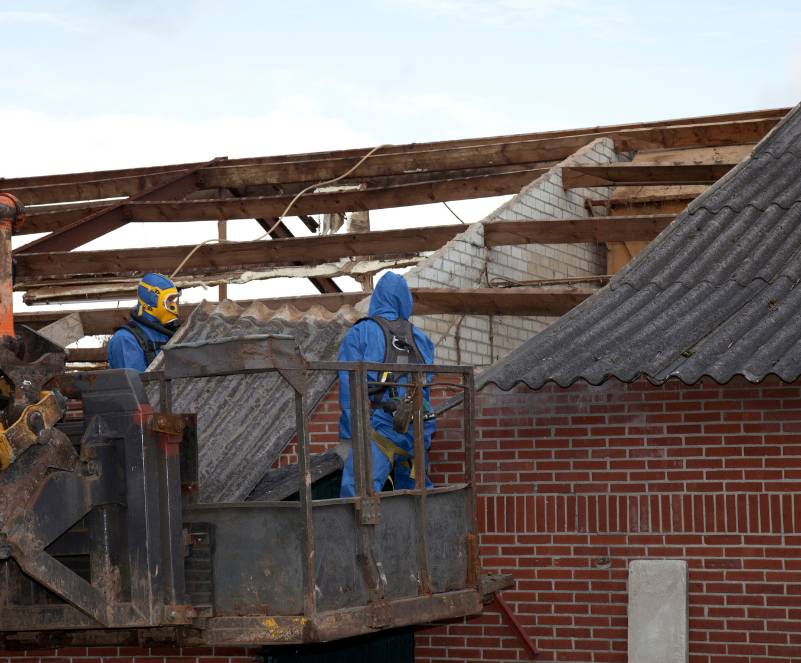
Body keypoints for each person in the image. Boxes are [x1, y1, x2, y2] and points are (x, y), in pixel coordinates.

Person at [338, 272, 436, 497]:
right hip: (419, 431)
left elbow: (349, 389)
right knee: (416, 496)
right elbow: (426, 390)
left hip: (384, 429)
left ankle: (359, 532)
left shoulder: (361, 333)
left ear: (377, 298)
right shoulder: (420, 338)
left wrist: (350, 434)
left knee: (358, 495)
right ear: (405, 300)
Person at [107, 273, 181, 371]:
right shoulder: (125, 339)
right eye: (169, 300)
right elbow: (136, 384)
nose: (173, 306)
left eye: (174, 300)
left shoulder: (167, 333)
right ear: (153, 300)